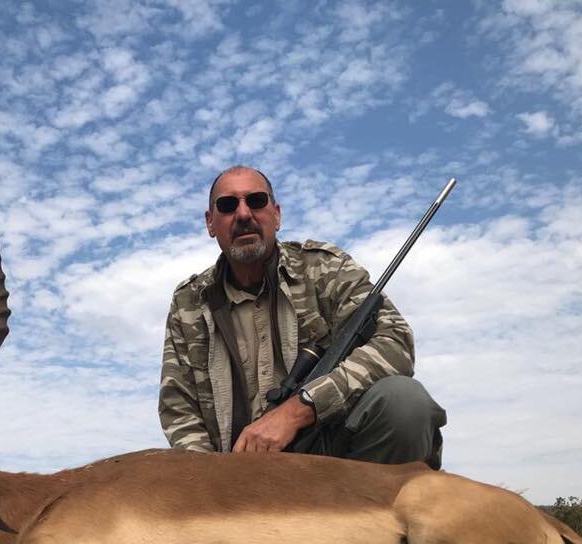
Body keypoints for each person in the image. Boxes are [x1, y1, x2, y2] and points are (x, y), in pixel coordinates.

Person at [159, 165, 447, 467]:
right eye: (228, 205)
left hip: (332, 458)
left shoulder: (324, 269)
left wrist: (300, 408)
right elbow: (179, 407)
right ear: (210, 223)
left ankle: (377, 510)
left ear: (277, 214)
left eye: (256, 201)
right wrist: (212, 482)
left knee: (403, 401)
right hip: (234, 478)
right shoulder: (189, 300)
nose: (243, 214)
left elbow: (395, 341)